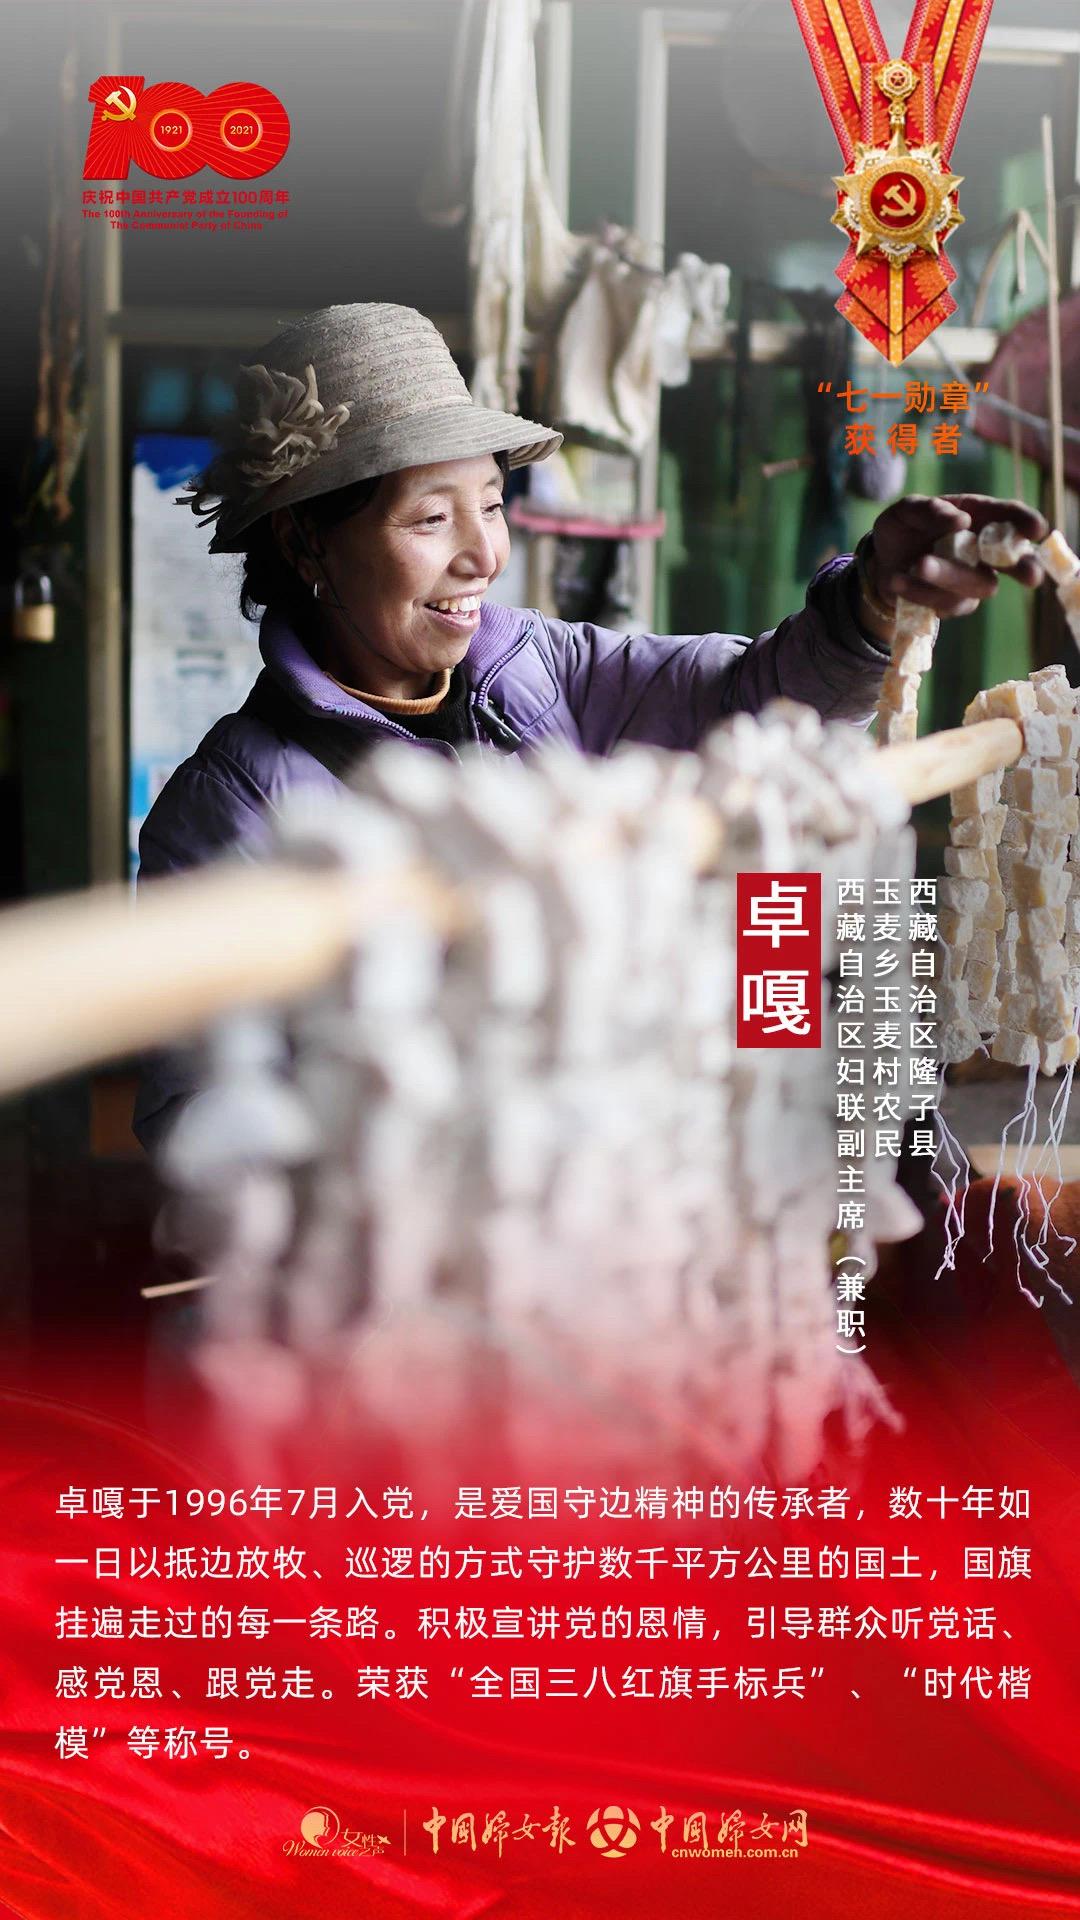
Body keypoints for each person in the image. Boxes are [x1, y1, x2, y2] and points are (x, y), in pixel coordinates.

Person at [133, 300, 1047, 1152]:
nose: (483, 553)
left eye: (490, 504)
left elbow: (752, 698)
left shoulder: (541, 668)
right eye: (431, 517)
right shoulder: (228, 812)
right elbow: (199, 1124)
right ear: (305, 543)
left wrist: (872, 602)